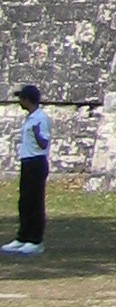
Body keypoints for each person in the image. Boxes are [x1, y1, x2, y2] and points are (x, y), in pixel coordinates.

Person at [5, 85, 50, 257]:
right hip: (27, 161)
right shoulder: (30, 118)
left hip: (36, 162)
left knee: (35, 201)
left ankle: (35, 240)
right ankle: (23, 236)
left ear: (27, 100)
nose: (19, 102)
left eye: (21, 98)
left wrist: (38, 134)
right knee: (25, 201)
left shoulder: (41, 118)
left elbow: (43, 144)